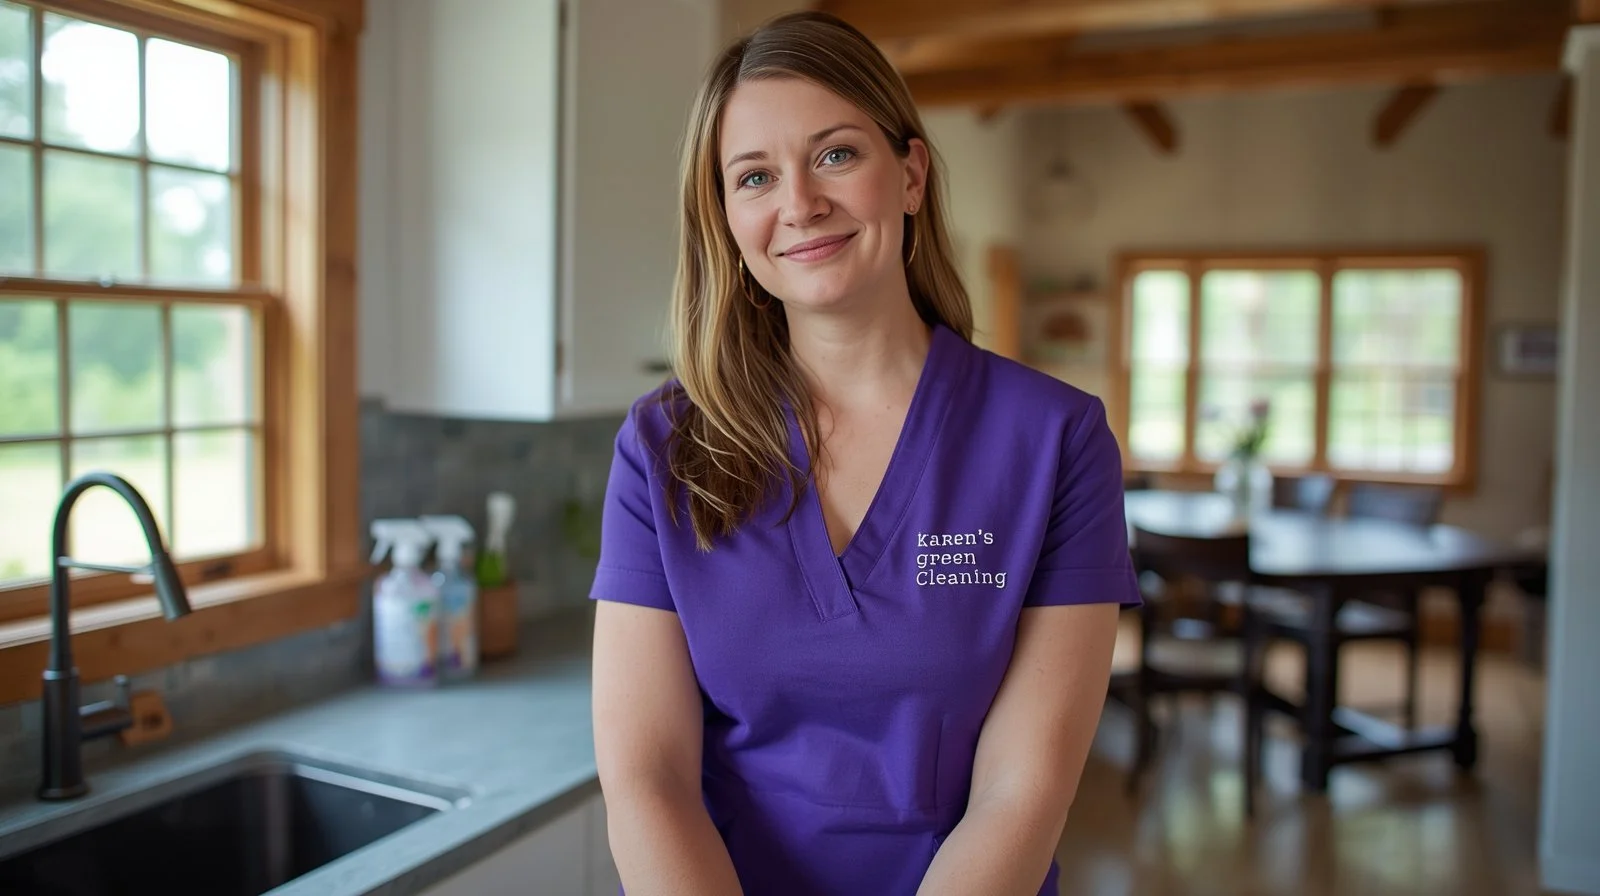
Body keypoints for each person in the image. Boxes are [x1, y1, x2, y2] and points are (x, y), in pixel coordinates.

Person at [589, 11, 1139, 895]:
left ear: (911, 174)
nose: (799, 203)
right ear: (726, 218)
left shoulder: (1057, 440)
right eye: (755, 176)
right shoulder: (662, 447)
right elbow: (647, 779)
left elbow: (1023, 790)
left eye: (836, 154)